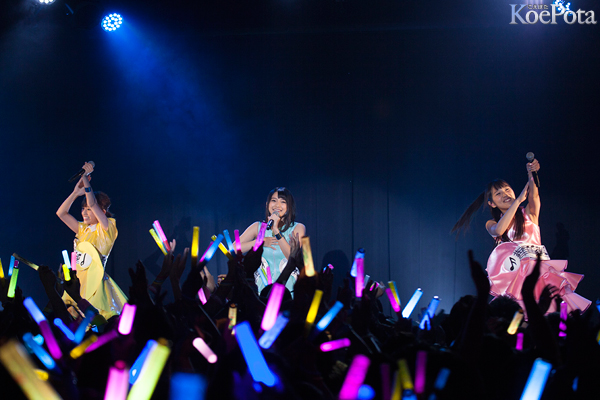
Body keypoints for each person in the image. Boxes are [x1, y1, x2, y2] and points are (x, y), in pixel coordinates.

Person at [452, 159, 590, 314]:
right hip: (515, 278)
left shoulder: (529, 214)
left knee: (550, 311)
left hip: (540, 272)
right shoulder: (492, 223)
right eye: (498, 193)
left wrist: (532, 173)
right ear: (492, 204)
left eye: (507, 189)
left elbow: (534, 195)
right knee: (518, 316)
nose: (505, 194)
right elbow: (498, 231)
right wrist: (517, 201)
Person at [56, 162, 127, 320]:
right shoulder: (83, 229)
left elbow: (93, 203)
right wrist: (75, 193)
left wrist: (85, 178)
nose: (84, 213)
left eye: (88, 209)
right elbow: (61, 213)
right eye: (83, 209)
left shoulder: (107, 229)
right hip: (77, 284)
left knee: (94, 321)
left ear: (102, 212)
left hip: (95, 286)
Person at [239, 187, 306, 295]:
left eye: (283, 202)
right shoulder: (258, 227)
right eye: (274, 200)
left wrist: (276, 230)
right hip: (262, 292)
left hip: (288, 291)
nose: (277, 205)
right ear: (267, 204)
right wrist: (260, 242)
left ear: (289, 206)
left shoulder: (297, 228)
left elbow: (292, 257)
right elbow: (233, 249)